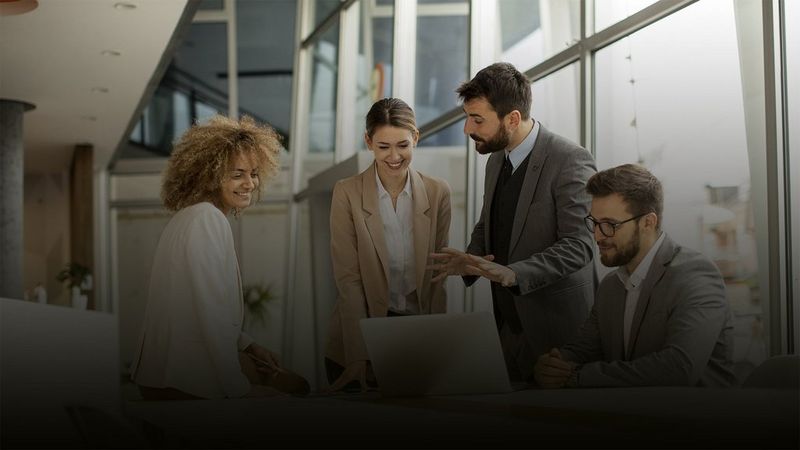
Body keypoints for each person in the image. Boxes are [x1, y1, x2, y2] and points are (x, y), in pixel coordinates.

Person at [429, 62, 596, 382]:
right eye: (467, 118)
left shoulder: (569, 159)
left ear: (513, 118)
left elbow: (581, 245)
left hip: (558, 333)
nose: (467, 129)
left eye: (477, 120)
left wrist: (514, 273)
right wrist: (470, 259)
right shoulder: (496, 160)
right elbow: (489, 221)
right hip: (508, 329)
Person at [130, 115, 308, 400]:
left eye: (253, 173)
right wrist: (237, 388)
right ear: (209, 175)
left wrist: (248, 346)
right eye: (237, 174)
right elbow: (209, 313)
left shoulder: (188, 217)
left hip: (164, 378)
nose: (249, 183)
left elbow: (197, 305)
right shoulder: (207, 219)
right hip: (184, 383)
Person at [533, 164, 737, 388]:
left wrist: (577, 376)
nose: (598, 236)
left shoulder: (695, 275)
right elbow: (584, 349)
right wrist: (554, 365)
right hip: (633, 414)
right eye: (594, 223)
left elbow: (679, 368)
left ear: (648, 222)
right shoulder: (611, 285)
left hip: (698, 416)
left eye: (610, 224)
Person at [325, 98, 452, 392]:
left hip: (415, 336)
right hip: (357, 339)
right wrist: (358, 356)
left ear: (416, 138)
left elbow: (438, 276)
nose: (394, 156)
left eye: (403, 145)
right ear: (368, 142)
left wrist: (439, 345)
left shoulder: (437, 192)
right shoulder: (347, 193)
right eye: (383, 147)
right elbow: (349, 280)